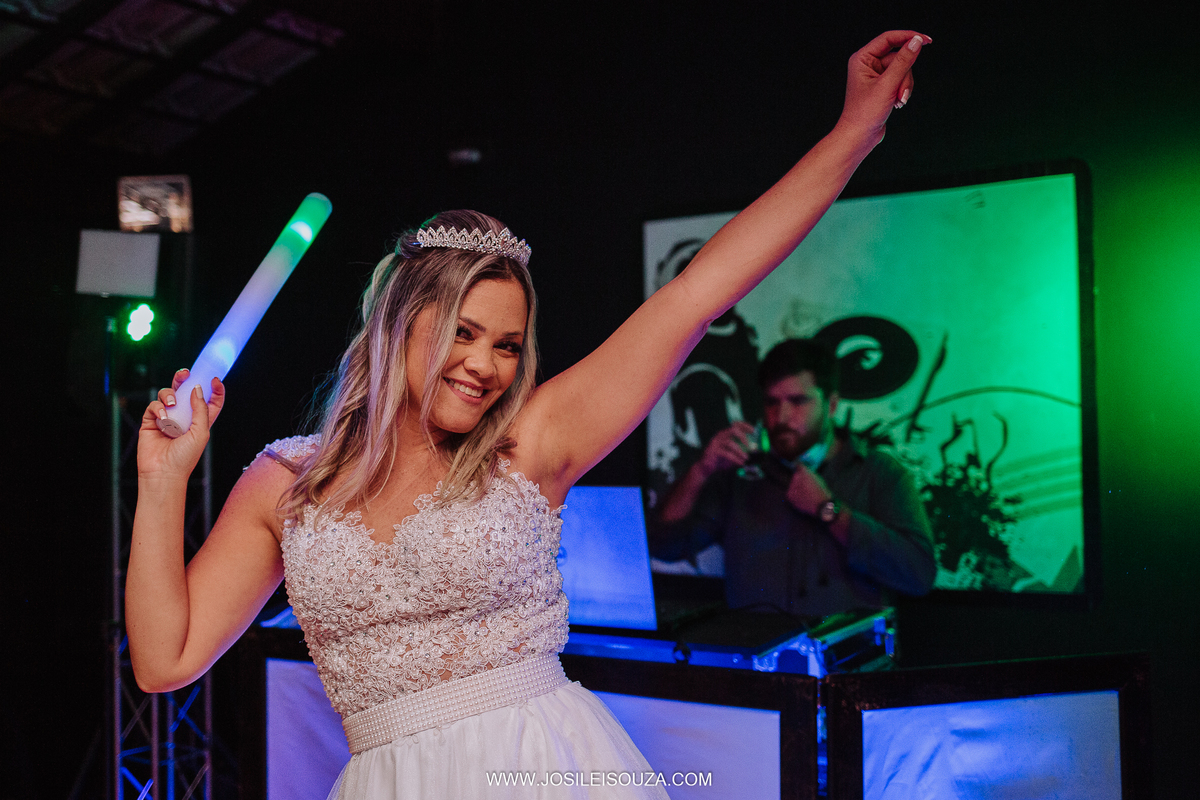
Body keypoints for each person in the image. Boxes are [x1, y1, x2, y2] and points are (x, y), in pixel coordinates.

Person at [126, 31, 931, 799]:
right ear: (400, 324)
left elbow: (700, 291)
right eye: (463, 333)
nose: (485, 365)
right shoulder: (286, 481)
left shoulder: (529, 444)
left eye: (507, 345)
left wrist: (857, 130)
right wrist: (162, 483)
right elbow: (166, 662)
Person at [652, 338, 937, 618]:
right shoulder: (740, 475)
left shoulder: (880, 473)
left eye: (798, 401)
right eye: (772, 402)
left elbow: (919, 575)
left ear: (832, 404)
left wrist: (828, 509)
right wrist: (700, 471)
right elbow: (666, 548)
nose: (782, 416)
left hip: (847, 661)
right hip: (757, 660)